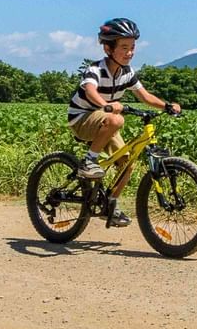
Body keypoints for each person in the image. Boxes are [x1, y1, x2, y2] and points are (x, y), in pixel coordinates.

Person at [67, 18, 180, 224]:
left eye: (133, 47)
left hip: (105, 122)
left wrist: (166, 106)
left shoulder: (127, 73)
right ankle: (88, 161)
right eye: (124, 47)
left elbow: (145, 96)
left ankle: (110, 205)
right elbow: (90, 89)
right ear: (109, 49)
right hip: (82, 120)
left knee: (127, 163)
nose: (130, 52)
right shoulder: (96, 69)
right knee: (117, 120)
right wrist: (106, 105)